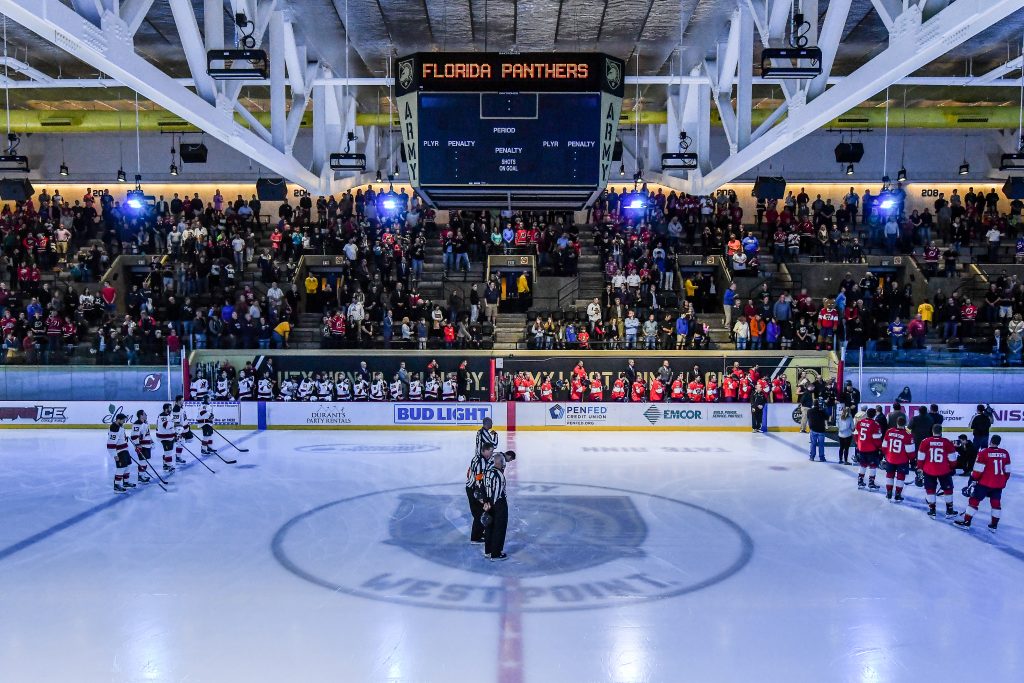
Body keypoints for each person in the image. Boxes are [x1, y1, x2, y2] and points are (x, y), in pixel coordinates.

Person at [955, 435, 1011, 531]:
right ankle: (994, 525)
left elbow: (977, 471)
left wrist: (973, 480)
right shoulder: (1005, 453)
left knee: (974, 501)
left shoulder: (984, 452)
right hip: (998, 484)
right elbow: (1007, 471)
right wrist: (1002, 482)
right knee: (996, 503)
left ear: (990, 441)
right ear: (999, 443)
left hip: (984, 483)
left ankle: (966, 522)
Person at [917, 425, 959, 518]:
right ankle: (949, 510)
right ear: (941, 431)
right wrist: (952, 467)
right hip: (944, 470)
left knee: (930, 490)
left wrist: (920, 467)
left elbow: (920, 457)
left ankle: (932, 510)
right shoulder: (947, 442)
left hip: (929, 470)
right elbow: (952, 459)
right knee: (948, 490)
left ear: (932, 431)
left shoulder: (925, 442)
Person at [481, 452, 510, 560]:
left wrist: (485, 503)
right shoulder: (499, 475)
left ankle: (488, 551)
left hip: (488, 503)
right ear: (502, 463)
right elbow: (497, 493)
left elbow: (482, 487)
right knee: (499, 528)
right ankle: (496, 553)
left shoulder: (487, 472)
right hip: (498, 504)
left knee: (489, 527)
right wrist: (491, 505)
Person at [881, 415, 916, 502]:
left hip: (890, 458)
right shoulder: (908, 434)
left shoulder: (889, 431)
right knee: (900, 477)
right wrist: (912, 459)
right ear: (905, 424)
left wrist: (885, 454)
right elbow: (910, 451)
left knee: (890, 475)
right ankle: (897, 494)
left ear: (896, 423)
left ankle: (889, 492)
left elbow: (884, 446)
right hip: (902, 460)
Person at [465, 443, 494, 545]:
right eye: (490, 451)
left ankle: (478, 533)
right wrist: (481, 496)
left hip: (471, 488)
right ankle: (475, 537)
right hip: (475, 490)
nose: (491, 454)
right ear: (485, 450)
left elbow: (469, 473)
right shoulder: (481, 461)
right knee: (479, 514)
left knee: (479, 513)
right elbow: (478, 479)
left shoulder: (476, 457)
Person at [854, 407, 884, 490]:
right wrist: (879, 447)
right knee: (873, 466)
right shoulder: (875, 424)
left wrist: (858, 443)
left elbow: (856, 434)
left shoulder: (860, 422)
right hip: (871, 449)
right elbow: (877, 438)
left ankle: (860, 481)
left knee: (862, 465)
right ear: (874, 415)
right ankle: (871, 483)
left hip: (861, 447)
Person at [107, 412, 134, 494]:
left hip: (124, 449)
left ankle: (125, 482)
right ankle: (117, 486)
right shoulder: (114, 428)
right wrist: (114, 455)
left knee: (128, 465)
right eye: (123, 420)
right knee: (121, 468)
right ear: (118, 420)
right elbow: (110, 443)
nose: (124, 422)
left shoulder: (120, 426)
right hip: (119, 451)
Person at [129, 409, 153, 485]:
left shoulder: (145, 423)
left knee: (145, 461)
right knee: (142, 461)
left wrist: (151, 440)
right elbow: (134, 436)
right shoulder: (137, 424)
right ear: (141, 416)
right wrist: (137, 445)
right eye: (145, 414)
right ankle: (140, 476)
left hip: (147, 445)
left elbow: (147, 434)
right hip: (142, 446)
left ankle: (143, 475)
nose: (146, 415)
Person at [155, 403, 177, 473]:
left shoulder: (167, 415)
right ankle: (168, 466)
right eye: (170, 408)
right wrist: (174, 423)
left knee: (167, 452)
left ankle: (165, 465)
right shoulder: (163, 416)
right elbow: (166, 426)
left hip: (168, 436)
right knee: (168, 452)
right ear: (166, 409)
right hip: (165, 437)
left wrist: (174, 434)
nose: (171, 409)